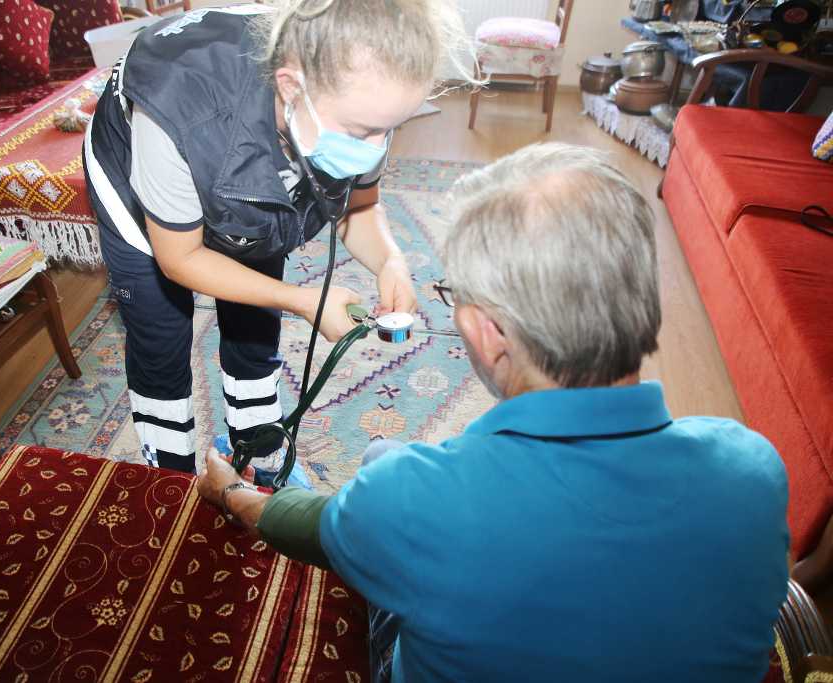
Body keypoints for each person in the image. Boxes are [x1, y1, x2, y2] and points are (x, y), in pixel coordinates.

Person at [198, 143, 791, 682]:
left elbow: (307, 530)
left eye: (455, 299)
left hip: (395, 524)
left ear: (487, 332)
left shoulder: (414, 497)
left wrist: (233, 496)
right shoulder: (754, 470)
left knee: (380, 471)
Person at [83, 0, 474, 477]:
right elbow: (180, 258)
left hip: (243, 175)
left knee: (255, 315)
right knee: (161, 336)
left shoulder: (354, 107)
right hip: (136, 177)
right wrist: (301, 300)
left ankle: (259, 440)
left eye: (388, 130)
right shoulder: (177, 111)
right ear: (291, 87)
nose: (373, 149)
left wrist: (390, 260)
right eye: (360, 131)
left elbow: (361, 206)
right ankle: (169, 474)